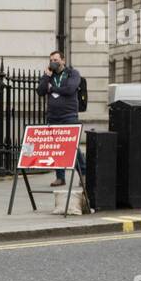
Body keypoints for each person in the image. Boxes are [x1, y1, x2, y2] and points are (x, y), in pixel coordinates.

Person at [37, 50, 84, 187]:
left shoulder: (72, 73)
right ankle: (60, 177)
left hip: (69, 115)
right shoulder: (49, 75)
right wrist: (46, 77)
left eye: (56, 60)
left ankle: (84, 173)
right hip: (53, 116)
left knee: (71, 147)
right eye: (51, 60)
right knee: (56, 148)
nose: (53, 62)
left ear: (63, 60)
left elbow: (70, 89)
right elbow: (40, 91)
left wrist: (52, 89)